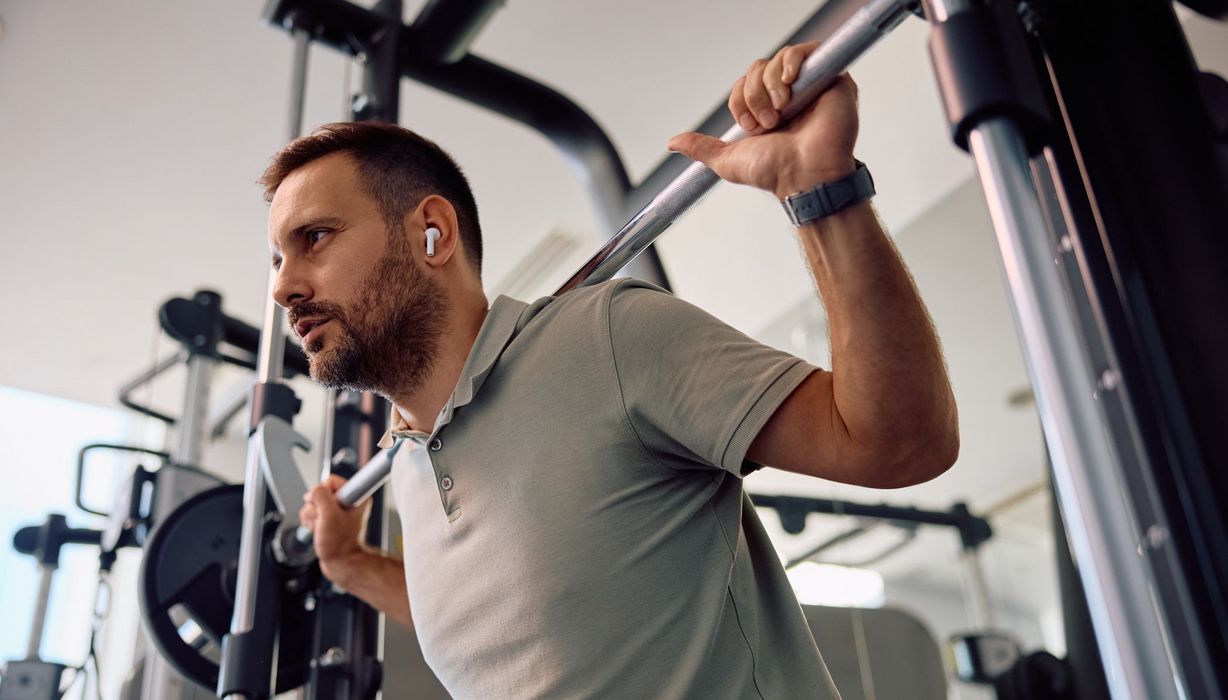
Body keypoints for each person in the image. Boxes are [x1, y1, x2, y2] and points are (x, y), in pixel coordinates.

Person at [270, 41, 958, 699]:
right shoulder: (410, 464)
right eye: (278, 258)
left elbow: (897, 442)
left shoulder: (604, 338)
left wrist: (821, 192)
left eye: (315, 238)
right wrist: (353, 567)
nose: (282, 287)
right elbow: (519, 640)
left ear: (433, 233)